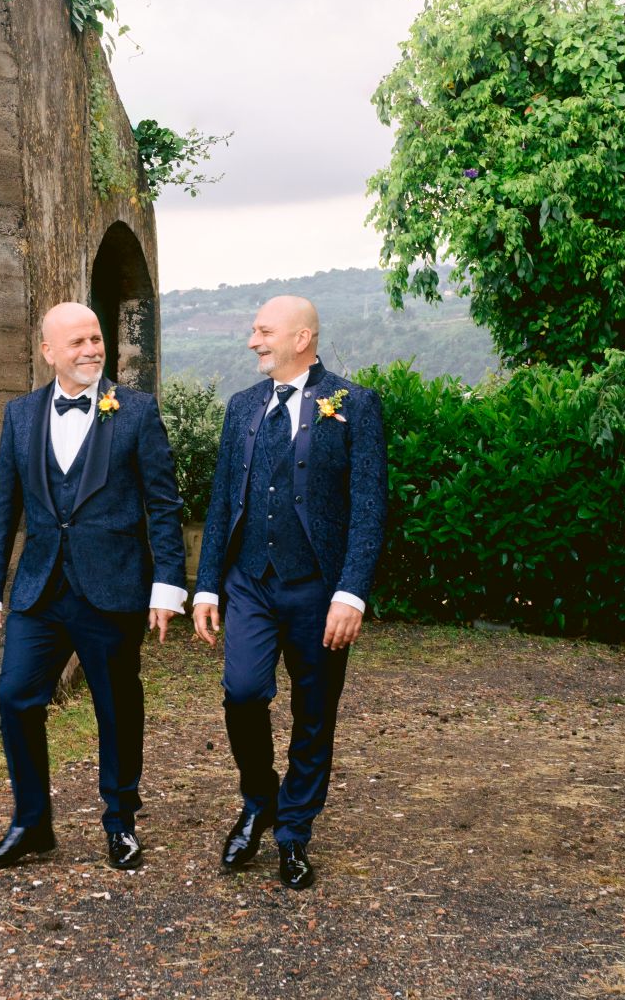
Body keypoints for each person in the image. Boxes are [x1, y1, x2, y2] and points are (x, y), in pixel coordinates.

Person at [0, 302, 187, 872]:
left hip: (112, 588)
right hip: (40, 592)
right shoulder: (19, 415)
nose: (92, 349)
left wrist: (168, 585)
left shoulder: (136, 411)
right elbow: (2, 509)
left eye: (97, 338)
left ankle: (120, 823)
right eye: (78, 343)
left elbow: (163, 506)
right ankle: (32, 824)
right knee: (16, 697)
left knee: (115, 707)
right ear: (49, 353)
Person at [192, 295, 387, 889]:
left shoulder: (355, 405)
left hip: (319, 589)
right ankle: (258, 799)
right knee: (244, 693)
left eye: (263, 331)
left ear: (302, 338)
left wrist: (351, 593)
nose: (253, 341)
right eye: (254, 331)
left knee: (314, 712)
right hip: (249, 582)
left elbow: (369, 507)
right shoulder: (242, 407)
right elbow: (223, 501)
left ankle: (294, 830)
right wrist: (206, 588)